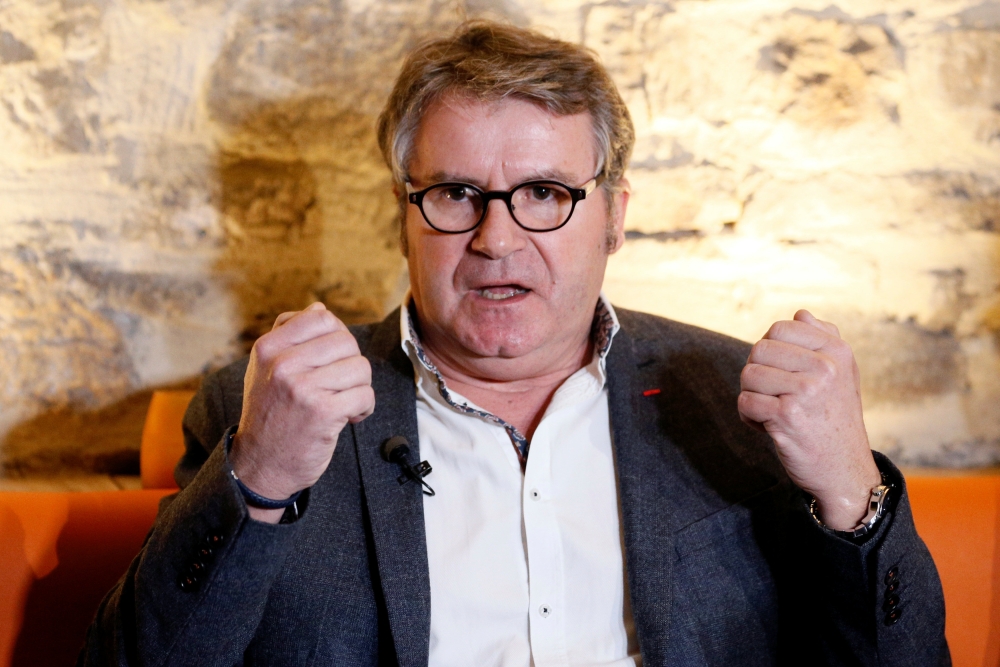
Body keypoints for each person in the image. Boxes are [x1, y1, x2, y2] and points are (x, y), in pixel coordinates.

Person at [81, 20, 948, 666]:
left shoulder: (733, 397)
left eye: (543, 192)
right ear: (404, 214)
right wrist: (257, 480)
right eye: (457, 193)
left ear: (613, 216)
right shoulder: (263, 405)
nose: (496, 239)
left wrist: (851, 489)